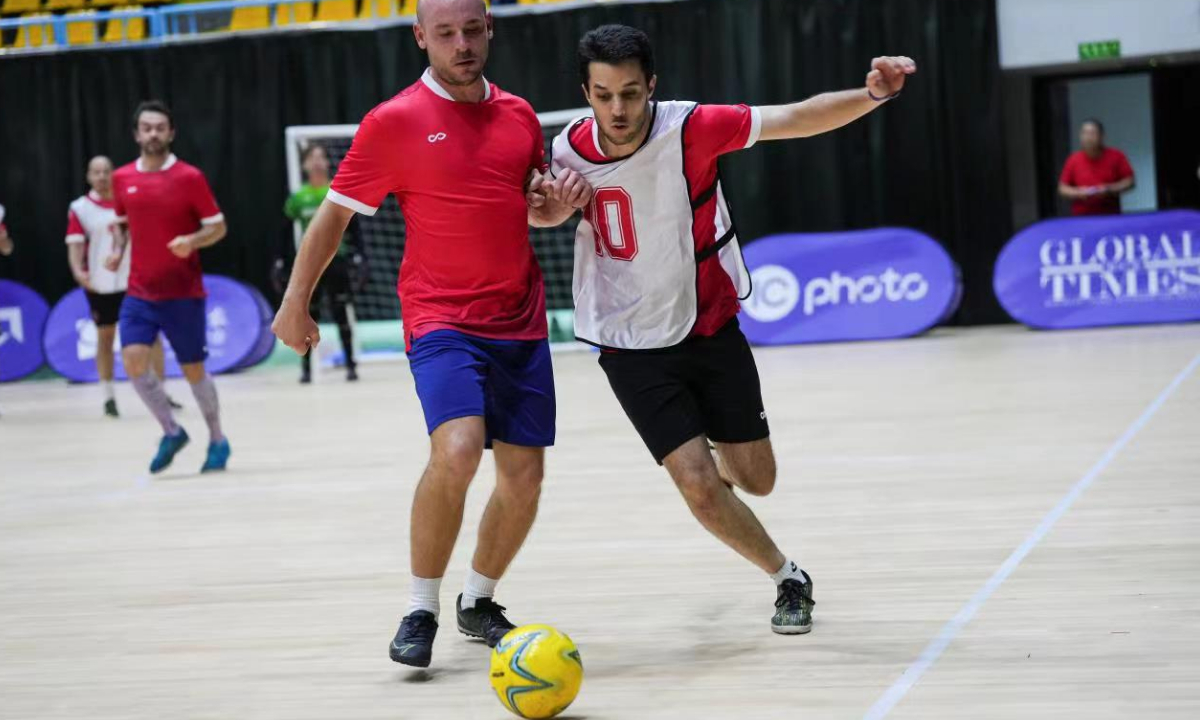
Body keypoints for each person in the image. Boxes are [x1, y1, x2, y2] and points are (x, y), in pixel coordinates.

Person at [548, 24, 915, 635]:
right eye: (604, 95)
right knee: (697, 485)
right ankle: (788, 578)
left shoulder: (692, 127)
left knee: (758, 480)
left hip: (708, 326)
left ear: (652, 86)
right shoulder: (565, 151)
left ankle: (719, 461)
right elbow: (541, 214)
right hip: (628, 344)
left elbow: (796, 117)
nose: (618, 109)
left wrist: (873, 94)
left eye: (631, 93)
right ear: (586, 93)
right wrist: (553, 207)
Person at [272, 0, 590, 669]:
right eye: (445, 33)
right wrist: (296, 301)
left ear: (489, 28)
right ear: (421, 37)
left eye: (472, 30)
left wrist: (553, 208)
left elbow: (531, 210)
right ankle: (420, 608)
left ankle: (478, 600)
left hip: (520, 318)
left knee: (525, 478)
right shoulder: (393, 122)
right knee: (459, 448)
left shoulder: (519, 115)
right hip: (441, 317)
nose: (461, 44)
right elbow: (333, 217)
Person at [105, 100, 232, 474]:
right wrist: (117, 251)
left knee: (193, 370)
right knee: (132, 362)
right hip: (139, 292)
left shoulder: (189, 177)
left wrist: (191, 241)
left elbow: (218, 227)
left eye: (160, 128)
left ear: (171, 133)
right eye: (147, 128)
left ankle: (217, 439)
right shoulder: (122, 178)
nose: (153, 134)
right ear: (136, 134)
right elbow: (122, 224)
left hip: (183, 294)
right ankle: (171, 431)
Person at [66, 155, 176, 417]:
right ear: (88, 176)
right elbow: (75, 243)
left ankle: (161, 392)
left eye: (106, 171)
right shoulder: (81, 208)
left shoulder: (129, 200)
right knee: (106, 337)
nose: (102, 177)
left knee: (152, 335)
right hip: (101, 283)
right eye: (96, 172)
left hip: (136, 280)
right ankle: (108, 396)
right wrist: (78, 272)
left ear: (114, 174)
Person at [276, 144, 367, 383]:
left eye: (321, 157)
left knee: (340, 312)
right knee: (307, 311)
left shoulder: (336, 192)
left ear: (327, 162)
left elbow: (355, 228)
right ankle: (306, 369)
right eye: (312, 158)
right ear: (304, 165)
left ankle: (351, 365)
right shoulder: (298, 198)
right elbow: (284, 232)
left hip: (337, 261)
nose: (316, 162)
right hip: (311, 264)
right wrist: (280, 261)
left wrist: (360, 256)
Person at [1058, 119, 1135, 216]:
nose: (1088, 138)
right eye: (1084, 133)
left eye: (1092, 133)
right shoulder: (1073, 159)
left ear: (1102, 136)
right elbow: (1062, 188)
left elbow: (1129, 182)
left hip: (1110, 216)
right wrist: (1078, 192)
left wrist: (1109, 189)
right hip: (1081, 217)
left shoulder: (1116, 156)